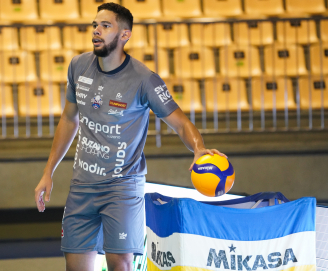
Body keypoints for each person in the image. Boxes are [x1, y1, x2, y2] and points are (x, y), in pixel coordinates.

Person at [34, 3, 226, 271]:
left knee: (120, 264)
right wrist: (48, 172)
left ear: (125, 35)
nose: (96, 31)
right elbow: (69, 119)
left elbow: (181, 123)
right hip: (82, 185)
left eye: (105, 26)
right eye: (95, 25)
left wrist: (199, 149)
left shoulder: (145, 80)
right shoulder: (78, 67)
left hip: (122, 188)